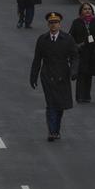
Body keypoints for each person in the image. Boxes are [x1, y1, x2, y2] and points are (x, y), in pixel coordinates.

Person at [29, 12, 78, 141]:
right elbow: (37, 59)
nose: (53, 25)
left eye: (56, 22)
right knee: (51, 104)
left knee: (60, 104)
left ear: (60, 24)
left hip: (62, 75)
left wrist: (73, 71)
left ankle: (56, 129)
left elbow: (74, 57)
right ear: (48, 24)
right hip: (47, 75)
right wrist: (33, 76)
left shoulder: (67, 39)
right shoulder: (42, 39)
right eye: (51, 22)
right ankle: (52, 131)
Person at [67, 3, 95, 103]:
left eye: (89, 9)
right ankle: (79, 96)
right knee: (80, 74)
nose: (87, 11)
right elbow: (70, 36)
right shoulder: (76, 22)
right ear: (81, 11)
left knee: (89, 74)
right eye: (85, 9)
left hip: (92, 53)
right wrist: (75, 46)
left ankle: (87, 96)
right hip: (80, 52)